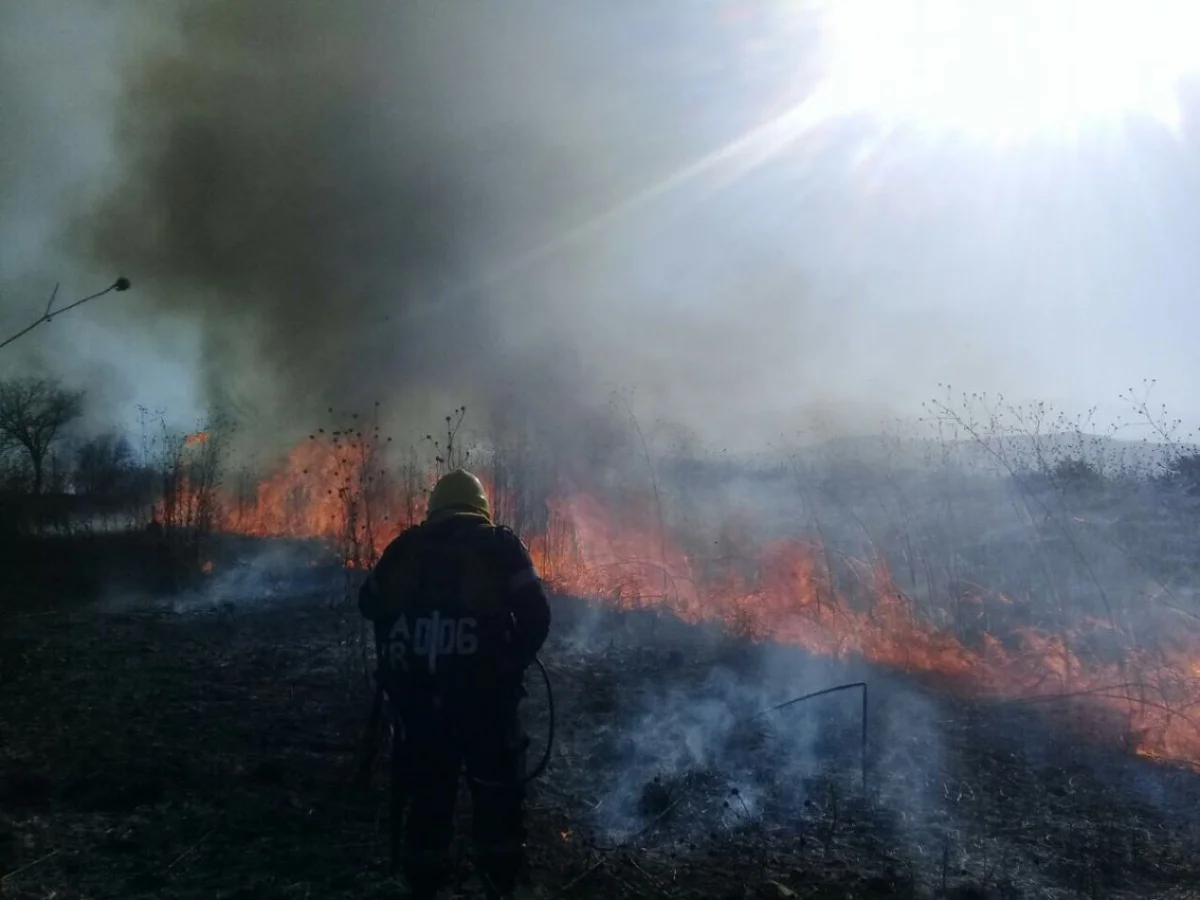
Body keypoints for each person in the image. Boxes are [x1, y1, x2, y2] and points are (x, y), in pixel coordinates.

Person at [359, 469, 552, 900]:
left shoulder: (405, 547)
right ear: (481, 508)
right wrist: (509, 664)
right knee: (498, 800)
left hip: (419, 705)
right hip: (487, 705)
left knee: (427, 801)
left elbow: (368, 604)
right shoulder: (501, 546)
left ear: (435, 508)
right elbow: (537, 617)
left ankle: (424, 884)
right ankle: (498, 883)